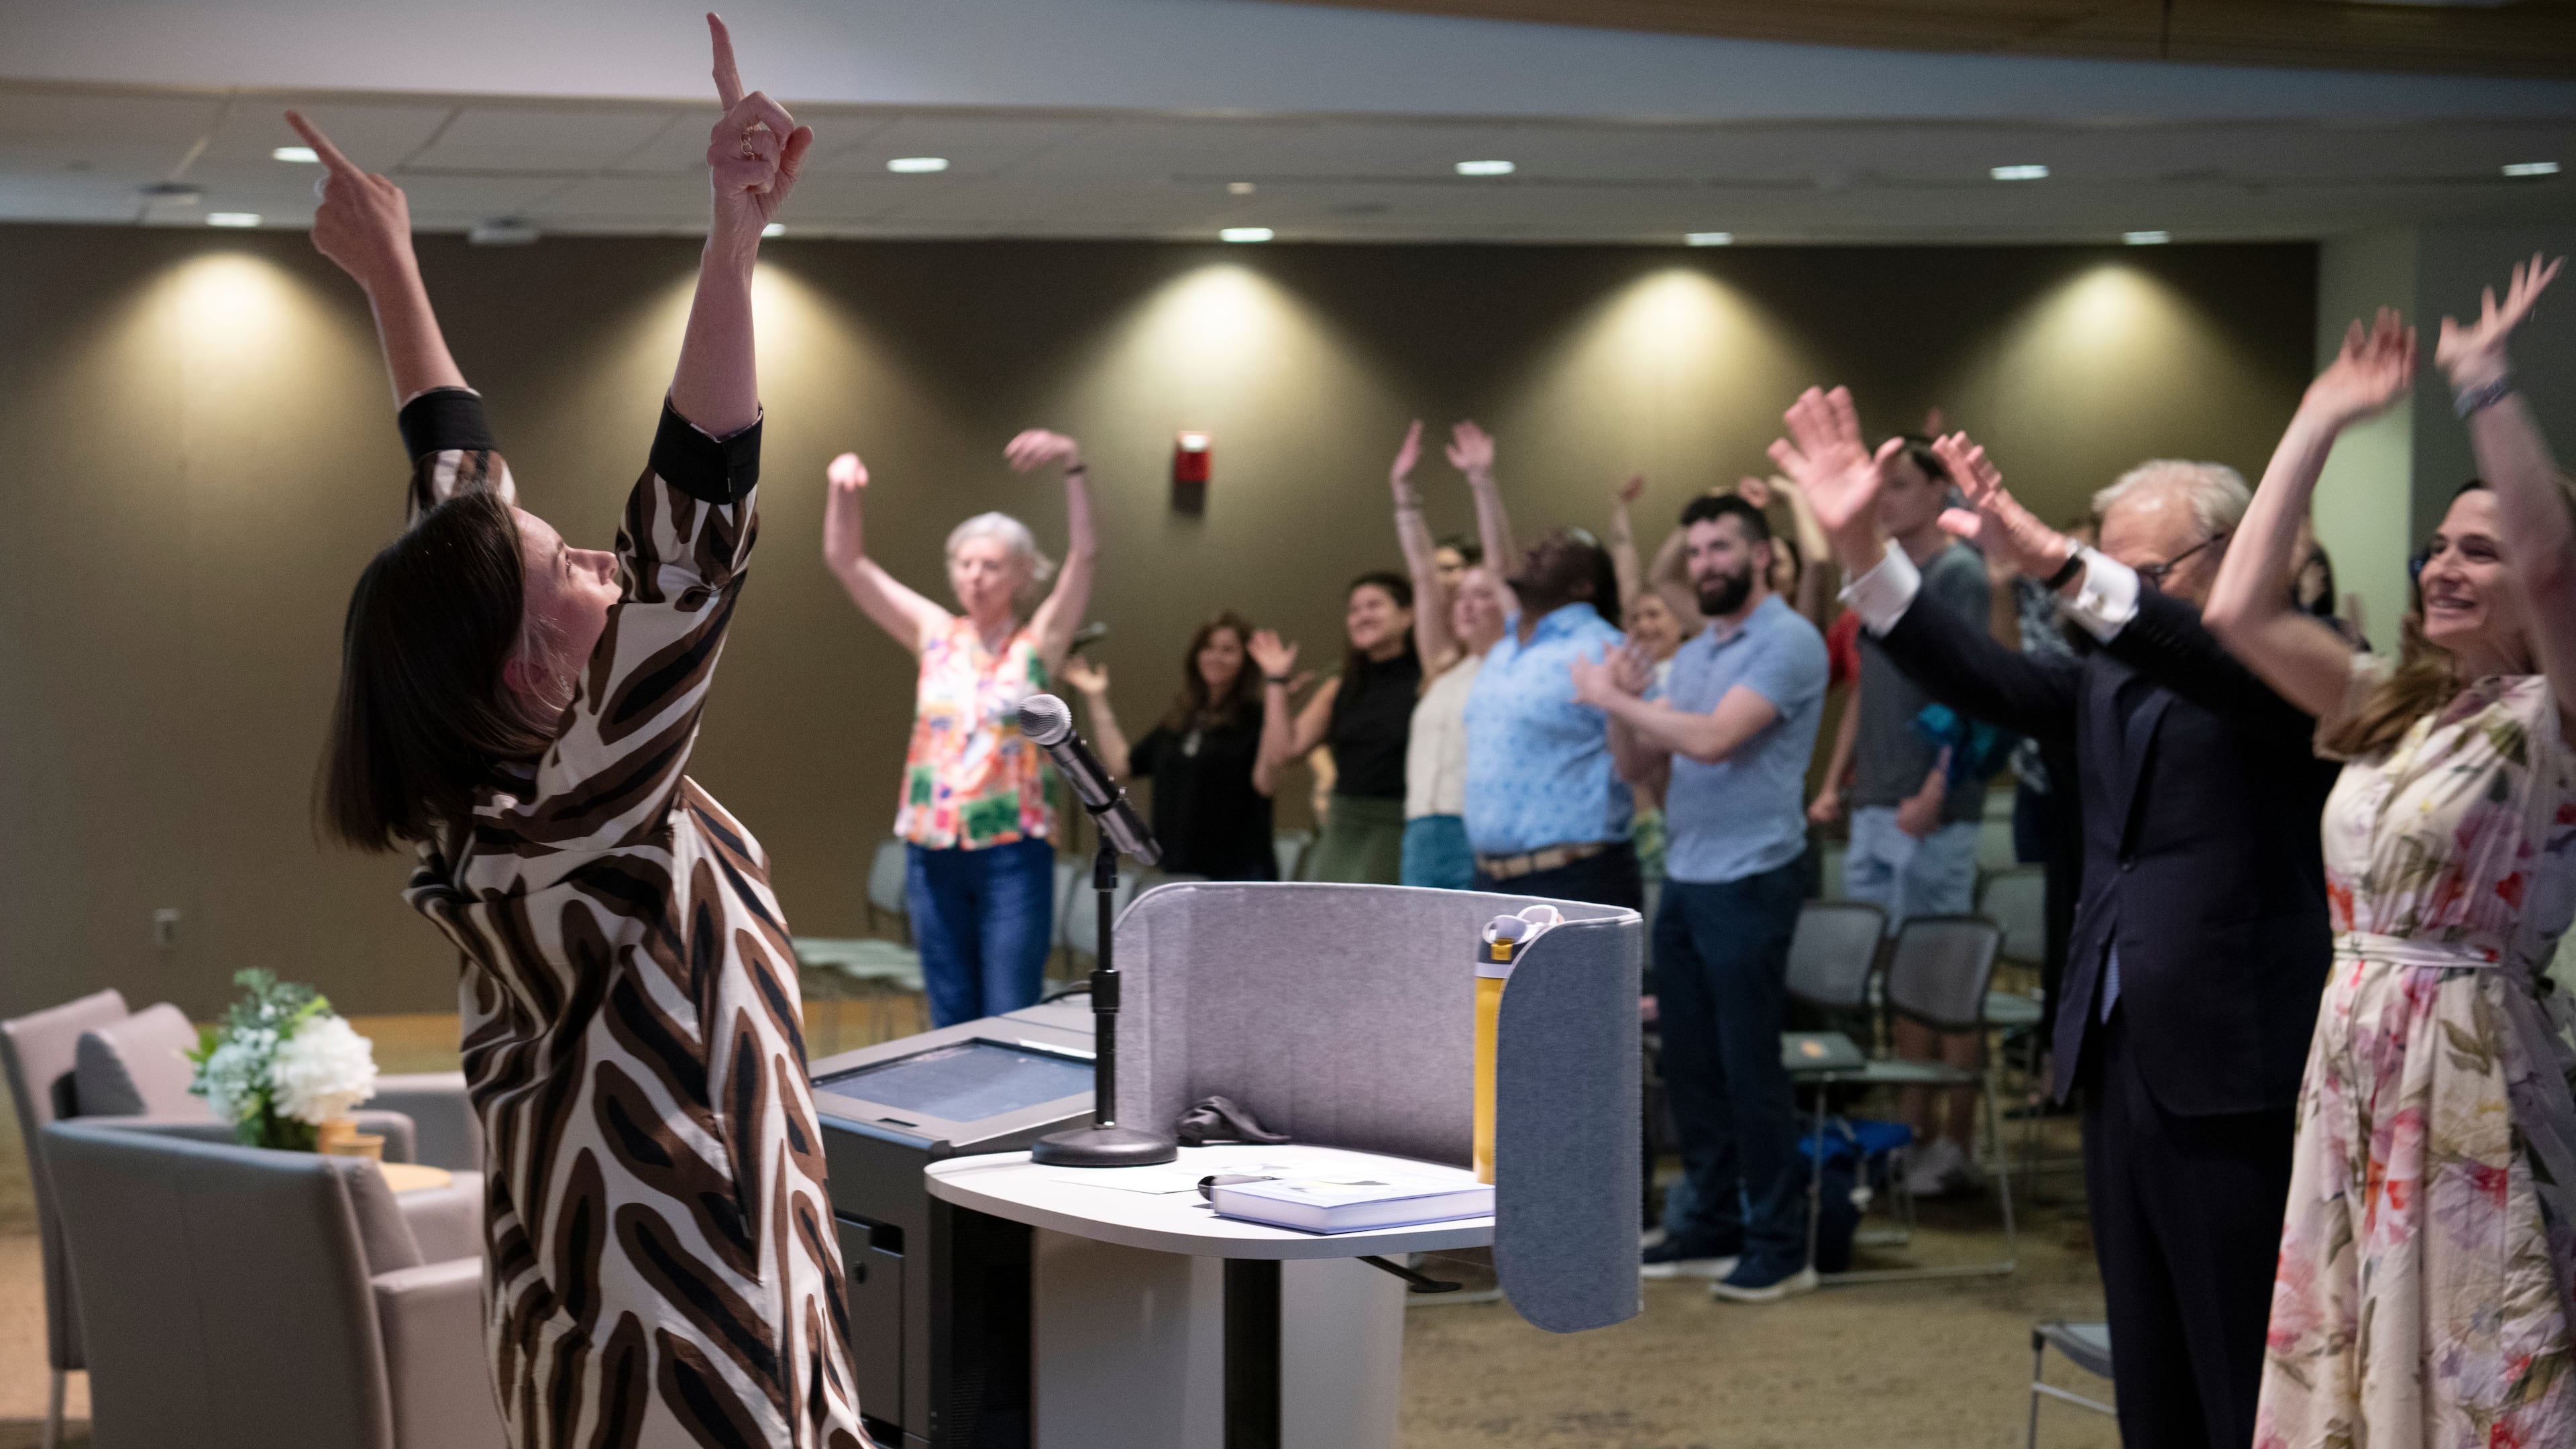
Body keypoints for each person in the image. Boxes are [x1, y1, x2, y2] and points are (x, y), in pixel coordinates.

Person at [303, 21, 871, 1443]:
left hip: (611, 1321)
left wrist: (393, 274)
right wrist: (730, 246)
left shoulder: (488, 793)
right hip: (693, 1355)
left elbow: (459, 489)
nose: (602, 577)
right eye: (573, 575)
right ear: (520, 671)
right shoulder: (575, 815)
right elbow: (690, 535)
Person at [1780, 384, 2337, 1449]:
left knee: (2237, 1357)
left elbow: (2205, 657)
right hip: (2120, 1044)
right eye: (2107, 564)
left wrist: (2055, 565)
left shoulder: (2290, 663)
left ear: (2230, 555)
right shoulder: (2111, 678)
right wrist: (1860, 545)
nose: (2108, 597)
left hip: (2231, 1056)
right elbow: (1977, 672)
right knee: (2152, 1361)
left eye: (2144, 573)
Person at [2197, 274, 2576, 1444]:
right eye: (2438, 547)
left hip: (2468, 1071)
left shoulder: (2555, 715)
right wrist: (2314, 420)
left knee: (2472, 1359)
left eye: (2484, 550)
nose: (2446, 568)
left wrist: (2485, 386)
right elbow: (2237, 611)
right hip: (2356, 1052)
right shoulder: (2395, 703)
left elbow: (2562, 569)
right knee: (2354, 1354)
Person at [1573, 494, 1829, 1303]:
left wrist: (1614, 698)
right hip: (1687, 875)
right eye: (1698, 551)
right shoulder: (1704, 651)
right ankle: (1712, 1225)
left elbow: (1716, 741)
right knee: (1691, 1065)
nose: (1707, 563)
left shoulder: (1788, 641)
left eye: (1723, 548)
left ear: (1760, 555)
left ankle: (1782, 1245)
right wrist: (1621, 699)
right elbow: (1637, 766)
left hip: (1754, 877)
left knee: (1750, 1068)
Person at [822, 443, 1094, 1031]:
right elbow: (848, 561)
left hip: (1013, 851)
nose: (975, 576)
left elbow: (1086, 558)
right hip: (932, 846)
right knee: (950, 1014)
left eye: (992, 565)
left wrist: (1074, 466)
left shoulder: (1037, 643)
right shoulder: (934, 633)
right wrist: (842, 491)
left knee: (1008, 1009)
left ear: (1021, 575)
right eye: (965, 563)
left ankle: (1014, 1123)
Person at [1809, 435, 1995, 1197]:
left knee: (1945, 984)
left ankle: (1952, 1144)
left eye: (1900, 484)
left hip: (1933, 808)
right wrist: (1840, 781)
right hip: (1878, 800)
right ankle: (1909, 1136)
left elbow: (1972, 687)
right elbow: (1864, 689)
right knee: (1897, 982)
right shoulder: (1882, 578)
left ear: (1940, 493)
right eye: (1876, 485)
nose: (1883, 497)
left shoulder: (1957, 574)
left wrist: (1936, 785)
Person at [1458, 434, 1639, 906]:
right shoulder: (1507, 646)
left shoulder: (1606, 648)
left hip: (1574, 878)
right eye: (1539, 543)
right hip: (1490, 880)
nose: (1535, 550)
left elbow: (1638, 761)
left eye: (1556, 550)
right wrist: (1481, 481)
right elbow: (1499, 563)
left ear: (1584, 584)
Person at [1060, 613, 1279, 881]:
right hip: (1178, 872)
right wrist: (1096, 697)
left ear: (1247, 660)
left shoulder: (1257, 719)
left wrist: (1277, 689)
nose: (1215, 657)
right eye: (1208, 647)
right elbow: (1122, 765)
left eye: (1228, 650)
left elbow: (1266, 783)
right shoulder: (1182, 719)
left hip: (1237, 876)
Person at [1389, 421, 1510, 890]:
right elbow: (1423, 577)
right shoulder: (1443, 666)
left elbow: (1501, 567)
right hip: (1420, 827)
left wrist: (1482, 482)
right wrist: (1403, 495)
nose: (1467, 606)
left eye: (1483, 598)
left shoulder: (1507, 662)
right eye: (1461, 598)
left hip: (1473, 825)